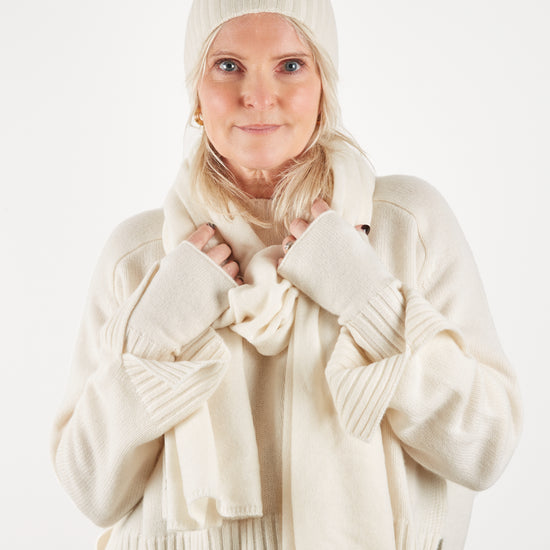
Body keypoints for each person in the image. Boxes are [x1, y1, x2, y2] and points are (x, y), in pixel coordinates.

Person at [51, 1, 522, 549]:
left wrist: (368, 298)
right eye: (227, 65)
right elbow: (91, 490)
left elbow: (485, 446)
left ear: (325, 84)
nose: (257, 95)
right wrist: (154, 335)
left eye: (290, 65)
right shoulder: (139, 256)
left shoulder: (405, 225)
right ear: (196, 94)